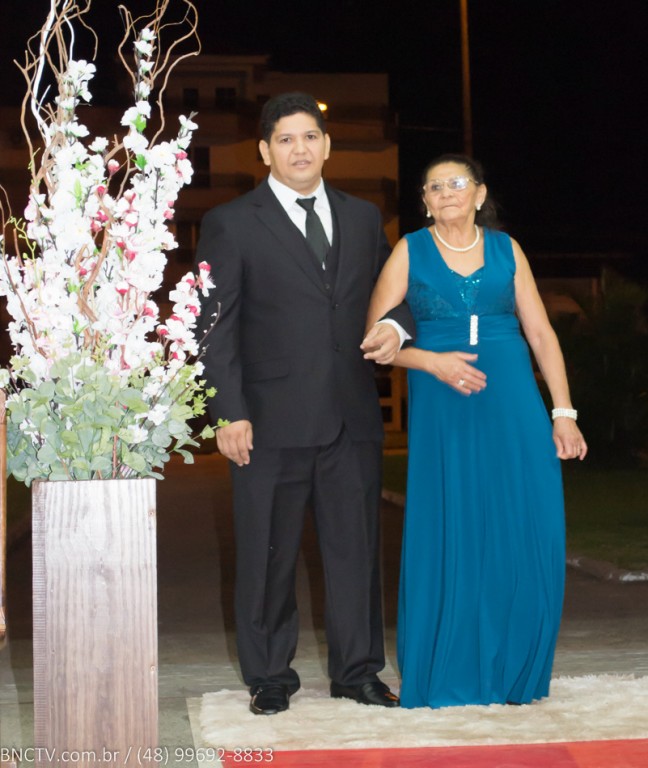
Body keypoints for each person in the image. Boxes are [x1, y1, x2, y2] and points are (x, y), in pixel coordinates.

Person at [195, 92, 412, 715]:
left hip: (350, 416)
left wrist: (395, 327)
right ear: (265, 151)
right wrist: (228, 411)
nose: (300, 149)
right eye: (286, 139)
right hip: (267, 421)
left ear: (328, 145)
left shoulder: (363, 217)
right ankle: (269, 676)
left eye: (310, 137)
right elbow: (213, 327)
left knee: (356, 553)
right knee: (268, 552)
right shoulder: (232, 222)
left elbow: (395, 294)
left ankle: (357, 672)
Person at [366, 153, 587, 709]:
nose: (446, 193)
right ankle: (451, 668)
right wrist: (431, 362)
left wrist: (563, 411)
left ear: (480, 194)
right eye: (434, 186)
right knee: (455, 522)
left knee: (526, 518)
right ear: (424, 201)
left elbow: (541, 334)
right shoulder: (409, 250)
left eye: (456, 183)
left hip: (512, 398)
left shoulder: (508, 250)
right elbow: (374, 340)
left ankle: (516, 669)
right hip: (445, 403)